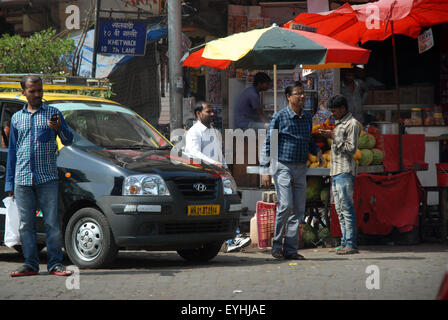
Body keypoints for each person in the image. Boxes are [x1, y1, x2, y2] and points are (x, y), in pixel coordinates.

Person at [6, 75, 74, 277]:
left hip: (47, 179)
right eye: (32, 91)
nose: (37, 94)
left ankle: (55, 264)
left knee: (52, 223)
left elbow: (68, 139)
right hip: (23, 179)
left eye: (39, 90)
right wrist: (9, 183)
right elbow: (12, 154)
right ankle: (30, 264)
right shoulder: (17, 118)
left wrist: (59, 127)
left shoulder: (53, 114)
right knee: (26, 225)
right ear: (23, 92)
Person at [260, 81, 323, 260]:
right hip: (283, 166)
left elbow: (308, 139)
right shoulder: (279, 117)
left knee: (298, 210)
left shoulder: (307, 117)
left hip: (301, 168)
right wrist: (265, 169)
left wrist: (317, 151)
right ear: (288, 97)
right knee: (286, 206)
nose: (302, 96)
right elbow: (270, 143)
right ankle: (277, 245)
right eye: (298, 93)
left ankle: (291, 249)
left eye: (303, 93)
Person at [184, 101, 251, 252]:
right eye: (209, 111)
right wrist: (214, 163)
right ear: (198, 114)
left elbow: (218, 154)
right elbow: (193, 153)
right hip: (202, 178)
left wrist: (226, 168)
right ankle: (230, 239)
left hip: (217, 176)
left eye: (213, 111)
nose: (212, 114)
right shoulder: (194, 132)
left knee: (226, 205)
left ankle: (232, 238)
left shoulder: (214, 131)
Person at [319, 94, 361, 255]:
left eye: (334, 111)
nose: (332, 114)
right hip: (336, 171)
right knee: (340, 209)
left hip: (345, 171)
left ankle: (351, 244)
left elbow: (351, 149)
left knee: (347, 208)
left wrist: (333, 137)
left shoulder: (352, 124)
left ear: (343, 109)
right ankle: (344, 242)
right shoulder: (338, 123)